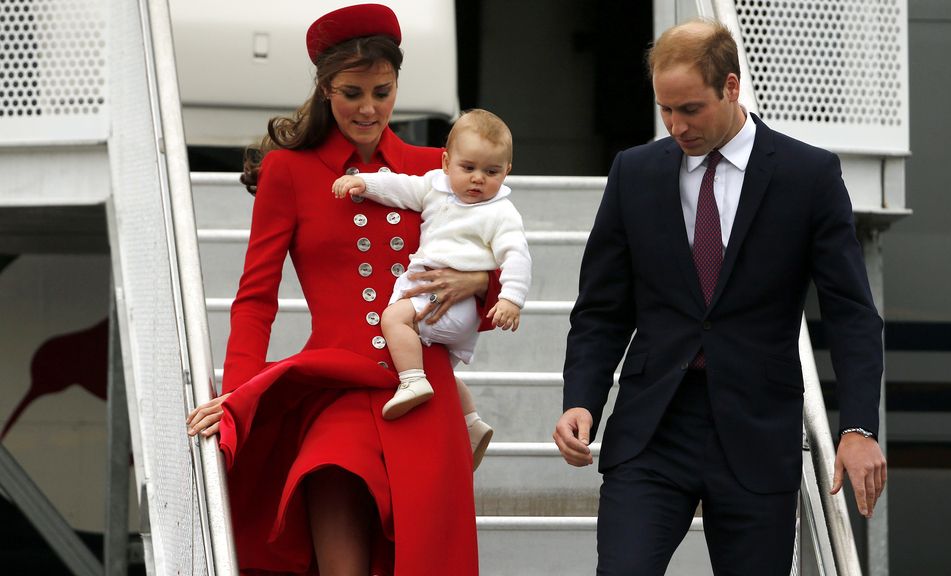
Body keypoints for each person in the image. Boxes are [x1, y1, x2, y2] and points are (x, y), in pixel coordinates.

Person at [552, 20, 887, 575]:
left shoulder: (809, 175)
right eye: (666, 109)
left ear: (731, 87)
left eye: (691, 109)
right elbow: (602, 310)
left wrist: (857, 426)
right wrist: (581, 399)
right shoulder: (634, 173)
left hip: (756, 432)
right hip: (653, 429)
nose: (676, 125)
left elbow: (852, 313)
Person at [185, 4, 496, 575]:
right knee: (330, 483)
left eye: (382, 91)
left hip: (424, 392)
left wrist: (478, 279)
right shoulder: (290, 171)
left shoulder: (436, 169)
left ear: (398, 83)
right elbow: (256, 297)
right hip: (335, 385)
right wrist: (239, 393)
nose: (369, 108)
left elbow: (497, 258)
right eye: (351, 92)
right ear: (326, 88)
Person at [331, 109, 530, 470]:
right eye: (467, 167)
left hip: (453, 305)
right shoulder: (435, 187)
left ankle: (412, 382)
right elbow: (401, 187)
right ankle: (472, 423)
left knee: (394, 318)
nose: (477, 180)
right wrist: (364, 182)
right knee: (443, 370)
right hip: (441, 302)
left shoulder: (501, 212)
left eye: (491, 172)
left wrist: (511, 299)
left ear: (507, 172)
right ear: (445, 161)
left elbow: (517, 255)